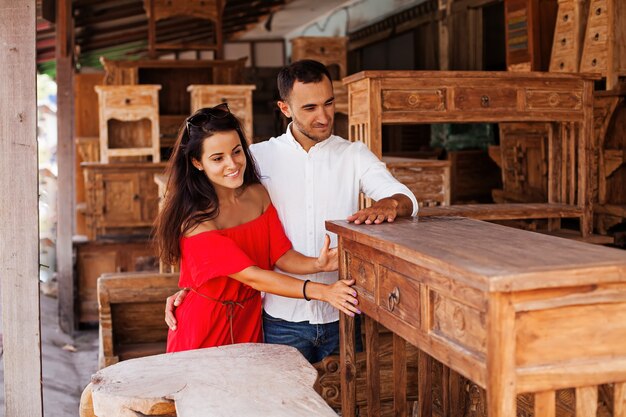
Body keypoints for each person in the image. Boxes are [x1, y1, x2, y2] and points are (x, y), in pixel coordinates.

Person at [165, 60, 418, 362]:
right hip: (278, 318)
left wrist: (389, 203)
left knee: (351, 401)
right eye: (310, 108)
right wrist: (191, 291)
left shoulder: (353, 155)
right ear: (285, 108)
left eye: (328, 103)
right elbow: (205, 222)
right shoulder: (256, 158)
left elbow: (406, 198)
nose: (324, 117)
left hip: (343, 310)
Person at [154, 102, 360, 352]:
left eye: (237, 151)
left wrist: (317, 264)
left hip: (249, 319)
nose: (232, 164)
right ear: (198, 163)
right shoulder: (196, 222)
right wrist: (324, 292)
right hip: (205, 326)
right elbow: (253, 276)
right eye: (217, 158)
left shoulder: (258, 194)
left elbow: (280, 254)